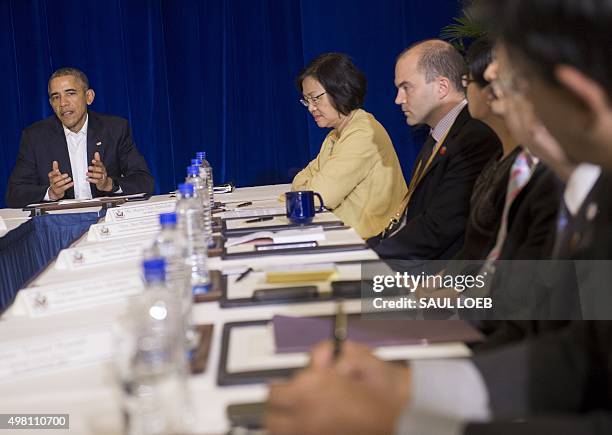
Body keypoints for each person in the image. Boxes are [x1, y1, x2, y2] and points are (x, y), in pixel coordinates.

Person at [265, 0, 612, 433]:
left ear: (579, 97)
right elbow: (582, 356)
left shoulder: (557, 181)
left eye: (511, 83)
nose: (495, 96)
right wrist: (409, 387)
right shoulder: (593, 190)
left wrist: (407, 417)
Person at [367, 39, 501, 260]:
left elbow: (440, 226)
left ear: (441, 87)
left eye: (406, 87)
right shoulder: (438, 134)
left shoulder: (474, 138)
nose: (398, 99)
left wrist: (368, 260)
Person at [291, 53, 407, 239]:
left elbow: (318, 197)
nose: (311, 108)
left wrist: (309, 189)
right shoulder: (335, 134)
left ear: (340, 90)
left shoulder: (363, 132)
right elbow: (301, 181)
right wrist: (307, 188)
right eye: (307, 101)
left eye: (315, 98)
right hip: (350, 235)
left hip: (376, 242)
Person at [5, 67, 154, 208]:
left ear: (89, 97)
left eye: (70, 93)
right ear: (51, 103)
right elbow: (14, 194)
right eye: (56, 97)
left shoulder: (115, 129)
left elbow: (144, 182)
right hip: (60, 225)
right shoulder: (35, 137)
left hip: (107, 218)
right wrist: (51, 192)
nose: (63, 103)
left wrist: (109, 184)